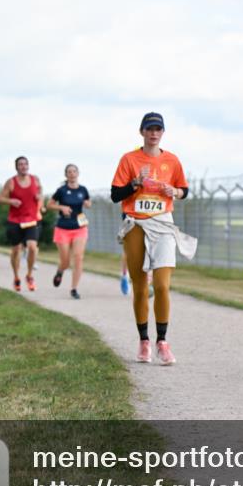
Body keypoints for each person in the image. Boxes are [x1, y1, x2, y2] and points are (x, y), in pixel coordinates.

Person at [110, 112, 191, 365]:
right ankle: (144, 340)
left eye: (158, 129)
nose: (153, 133)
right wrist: (135, 183)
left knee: (163, 285)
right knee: (140, 286)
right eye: (149, 129)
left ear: (163, 133)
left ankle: (162, 342)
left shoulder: (172, 160)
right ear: (142, 132)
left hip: (163, 222)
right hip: (136, 222)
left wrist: (174, 191)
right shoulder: (129, 159)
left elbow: (184, 190)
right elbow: (115, 194)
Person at [0, 156, 44, 291]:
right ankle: (16, 277)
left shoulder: (35, 179)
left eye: (25, 164)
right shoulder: (11, 182)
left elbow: (40, 191)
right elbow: (1, 198)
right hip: (15, 220)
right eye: (20, 164)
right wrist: (11, 201)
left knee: (32, 247)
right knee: (16, 250)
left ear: (28, 166)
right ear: (16, 167)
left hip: (32, 219)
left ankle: (29, 275)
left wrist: (39, 197)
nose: (23, 166)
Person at [47, 164, 91, 299]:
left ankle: (74, 288)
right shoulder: (61, 190)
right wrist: (62, 207)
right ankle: (60, 271)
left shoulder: (83, 189)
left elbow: (88, 202)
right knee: (65, 261)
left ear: (78, 173)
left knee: (78, 258)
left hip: (79, 228)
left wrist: (87, 204)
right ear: (66, 175)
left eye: (74, 171)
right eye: (69, 172)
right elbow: (49, 205)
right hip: (63, 228)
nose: (72, 174)